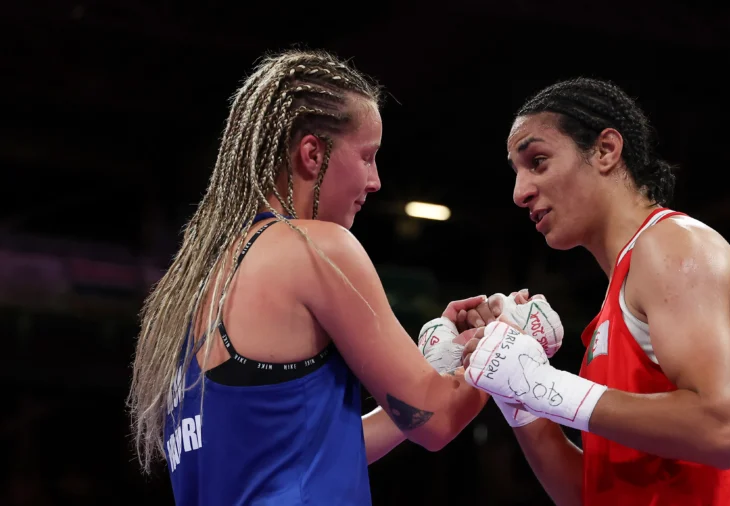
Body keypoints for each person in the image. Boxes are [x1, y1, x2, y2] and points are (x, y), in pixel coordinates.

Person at [127, 48, 499, 505]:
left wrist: (439, 368)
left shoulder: (194, 285)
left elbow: (307, 455)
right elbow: (438, 423)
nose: (376, 180)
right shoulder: (317, 247)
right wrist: (508, 345)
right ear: (312, 153)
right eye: (367, 157)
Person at [461, 78, 730, 506]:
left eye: (539, 161)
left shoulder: (674, 246)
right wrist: (515, 391)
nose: (520, 192)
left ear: (605, 150)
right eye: (517, 172)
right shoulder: (615, 304)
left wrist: (541, 382)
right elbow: (586, 496)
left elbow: (719, 430)